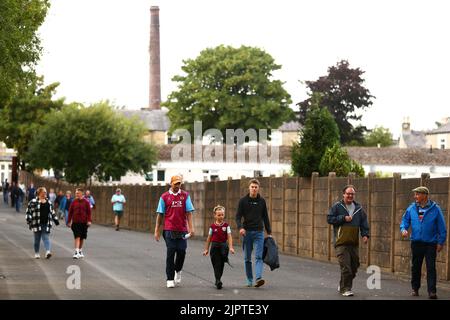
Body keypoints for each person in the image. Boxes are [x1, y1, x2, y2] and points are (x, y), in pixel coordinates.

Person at [400, 186, 447, 299]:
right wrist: (403, 229)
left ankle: (432, 291)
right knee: (416, 266)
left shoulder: (435, 209)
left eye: (417, 194)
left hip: (430, 243)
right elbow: (405, 221)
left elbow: (442, 227)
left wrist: (441, 242)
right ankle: (415, 289)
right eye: (415, 194)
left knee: (431, 267)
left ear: (425, 195)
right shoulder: (411, 208)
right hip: (416, 242)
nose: (415, 196)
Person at [327, 185, 369, 297]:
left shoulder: (359, 209)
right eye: (348, 193)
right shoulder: (337, 206)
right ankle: (346, 289)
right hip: (340, 242)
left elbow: (364, 223)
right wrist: (342, 218)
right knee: (346, 267)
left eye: (352, 194)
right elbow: (329, 219)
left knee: (354, 267)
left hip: (353, 243)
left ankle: (342, 284)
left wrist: (365, 235)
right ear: (343, 194)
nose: (350, 195)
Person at [154, 175, 195, 288]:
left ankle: (178, 270)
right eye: (175, 183)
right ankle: (170, 278)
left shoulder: (185, 196)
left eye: (179, 183)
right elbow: (160, 214)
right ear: (171, 183)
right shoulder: (164, 197)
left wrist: (191, 228)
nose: (177, 185)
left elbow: (189, 213)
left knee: (181, 252)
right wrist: (157, 230)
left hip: (182, 229)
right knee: (171, 253)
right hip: (169, 229)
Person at [235, 178, 272, 288]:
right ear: (249, 188)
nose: (254, 189)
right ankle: (249, 279)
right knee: (247, 258)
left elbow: (265, 217)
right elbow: (237, 217)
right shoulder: (243, 201)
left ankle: (258, 278)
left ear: (258, 188)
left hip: (259, 232)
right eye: (252, 187)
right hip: (247, 233)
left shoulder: (262, 201)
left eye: (256, 187)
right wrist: (240, 228)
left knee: (258, 256)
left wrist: (269, 232)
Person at [203, 205, 235, 289]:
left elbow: (229, 236)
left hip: (223, 246)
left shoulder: (226, 226)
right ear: (215, 215)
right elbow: (209, 239)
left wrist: (231, 247)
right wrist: (206, 249)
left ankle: (218, 279)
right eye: (219, 215)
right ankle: (218, 280)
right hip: (214, 247)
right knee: (216, 264)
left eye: (222, 215)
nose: (221, 216)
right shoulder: (212, 227)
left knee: (221, 264)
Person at [26, 187, 59, 259]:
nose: (45, 193)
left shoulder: (48, 202)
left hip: (46, 223)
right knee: (37, 240)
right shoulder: (33, 201)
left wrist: (56, 220)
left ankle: (48, 252)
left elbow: (52, 212)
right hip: (36, 224)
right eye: (44, 192)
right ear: (39, 193)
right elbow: (28, 212)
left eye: (45, 192)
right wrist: (29, 220)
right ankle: (37, 253)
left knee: (46, 238)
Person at [67, 188, 92, 259]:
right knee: (77, 236)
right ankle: (76, 252)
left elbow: (89, 212)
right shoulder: (73, 202)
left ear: (81, 193)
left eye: (78, 193)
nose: (76, 194)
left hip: (84, 222)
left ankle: (80, 251)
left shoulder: (86, 202)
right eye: (76, 193)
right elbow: (70, 212)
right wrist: (69, 221)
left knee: (82, 237)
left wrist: (89, 221)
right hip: (75, 222)